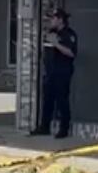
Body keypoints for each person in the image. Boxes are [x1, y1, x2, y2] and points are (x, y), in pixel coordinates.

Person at [31, 8, 78, 138]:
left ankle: (64, 128)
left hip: (62, 72)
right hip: (50, 72)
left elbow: (71, 53)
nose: (50, 21)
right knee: (47, 100)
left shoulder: (68, 34)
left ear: (60, 20)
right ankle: (44, 127)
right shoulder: (51, 33)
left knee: (62, 100)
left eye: (53, 18)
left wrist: (56, 44)